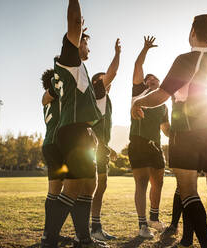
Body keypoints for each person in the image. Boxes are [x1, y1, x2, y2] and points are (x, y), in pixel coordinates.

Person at [131, 1, 207, 247]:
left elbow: (161, 95)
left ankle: (204, 244)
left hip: (186, 132)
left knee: (188, 191)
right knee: (198, 190)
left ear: (191, 32)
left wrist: (137, 103)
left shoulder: (186, 59)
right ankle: (194, 238)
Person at [43, 0, 108, 247]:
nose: (88, 47)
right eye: (86, 42)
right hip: (73, 132)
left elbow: (48, 97)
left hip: (80, 131)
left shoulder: (77, 68)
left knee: (88, 185)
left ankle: (83, 238)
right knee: (72, 188)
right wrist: (77, 18)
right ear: (77, 41)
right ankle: (49, 239)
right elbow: (73, 21)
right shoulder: (69, 60)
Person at [129, 36, 171, 238]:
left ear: (160, 84)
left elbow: (166, 130)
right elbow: (138, 64)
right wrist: (145, 48)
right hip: (138, 143)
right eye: (148, 79)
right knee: (142, 183)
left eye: (155, 80)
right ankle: (142, 225)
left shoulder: (163, 104)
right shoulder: (139, 92)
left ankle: (153, 218)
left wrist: (182, 137)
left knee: (159, 182)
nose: (151, 80)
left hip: (156, 146)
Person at [90, 38, 121, 241]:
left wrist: (109, 148)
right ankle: (87, 229)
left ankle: (95, 227)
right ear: (97, 82)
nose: (107, 82)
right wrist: (117, 54)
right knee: (91, 188)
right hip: (92, 150)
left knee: (100, 187)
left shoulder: (106, 99)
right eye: (103, 79)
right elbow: (113, 73)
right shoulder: (97, 91)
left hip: (102, 148)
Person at [40, 69, 64, 247]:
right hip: (57, 144)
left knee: (56, 191)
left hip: (52, 143)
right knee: (62, 189)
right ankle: (50, 233)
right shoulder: (53, 92)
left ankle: (50, 232)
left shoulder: (49, 96)